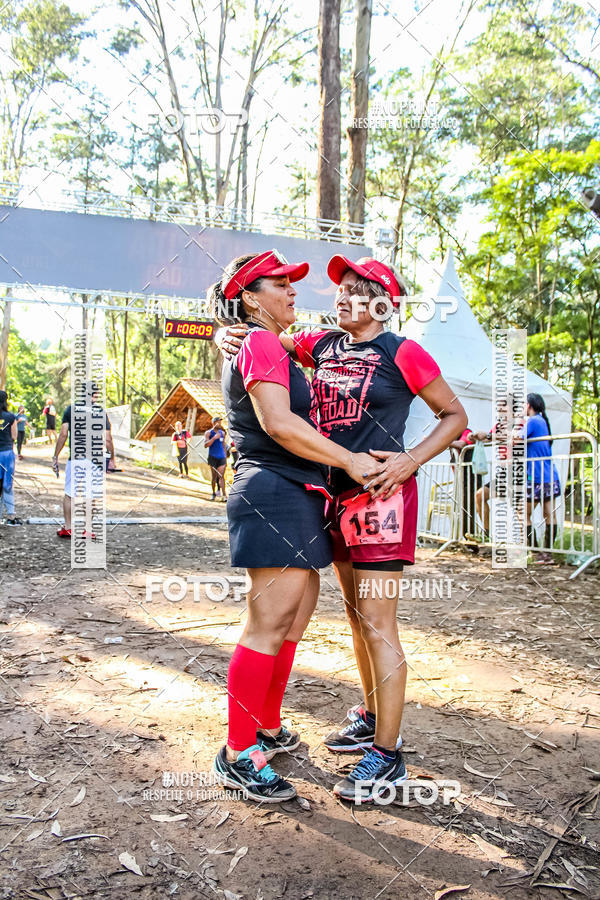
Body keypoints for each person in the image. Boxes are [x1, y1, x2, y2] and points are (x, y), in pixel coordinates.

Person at [217, 253, 467, 803]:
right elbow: (256, 345)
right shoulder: (320, 344)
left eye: (360, 288)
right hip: (329, 497)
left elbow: (456, 417)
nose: (344, 296)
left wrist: (410, 461)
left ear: (386, 302)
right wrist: (223, 334)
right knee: (355, 617)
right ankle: (370, 713)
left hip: (381, 496)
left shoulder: (404, 351)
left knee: (378, 622)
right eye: (342, 288)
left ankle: (387, 753)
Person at [210, 250, 382, 803]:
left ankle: (264, 724)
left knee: (292, 620)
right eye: (279, 284)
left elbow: (339, 345)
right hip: (273, 491)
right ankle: (238, 752)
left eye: (292, 283)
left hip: (299, 493)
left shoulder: (267, 340)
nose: (292, 292)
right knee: (268, 623)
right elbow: (279, 423)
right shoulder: (257, 341)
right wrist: (351, 460)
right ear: (249, 296)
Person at [53, 384, 114, 538]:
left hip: (76, 459)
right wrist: (112, 457)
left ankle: (68, 528)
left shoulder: (70, 409)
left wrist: (55, 455)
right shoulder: (100, 412)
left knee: (69, 494)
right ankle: (88, 530)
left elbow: (63, 434)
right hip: (94, 459)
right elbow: (107, 438)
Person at [521, 392, 561, 563]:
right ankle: (547, 554)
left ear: (529, 405)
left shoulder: (532, 421)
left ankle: (536, 551)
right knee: (548, 514)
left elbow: (517, 438)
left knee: (523, 513)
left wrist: (492, 436)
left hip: (537, 477)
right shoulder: (542, 421)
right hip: (550, 475)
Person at [450, 425, 490, 538]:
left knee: (469, 506)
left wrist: (441, 442)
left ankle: (472, 536)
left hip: (471, 477)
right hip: (462, 478)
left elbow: (462, 444)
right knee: (467, 507)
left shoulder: (466, 431)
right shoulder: (452, 435)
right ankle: (470, 536)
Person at [0, 390, 22, 525]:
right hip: (6, 454)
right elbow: (14, 436)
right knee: (7, 485)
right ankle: (11, 517)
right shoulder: (10, 417)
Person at [204, 416, 227, 500]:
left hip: (221, 457)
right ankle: (213, 493)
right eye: (218, 422)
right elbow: (205, 445)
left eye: (220, 422)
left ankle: (224, 495)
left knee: (221, 476)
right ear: (213, 423)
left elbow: (224, 445)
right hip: (212, 457)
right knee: (214, 477)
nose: (220, 423)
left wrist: (225, 458)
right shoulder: (208, 433)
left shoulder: (223, 433)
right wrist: (213, 438)